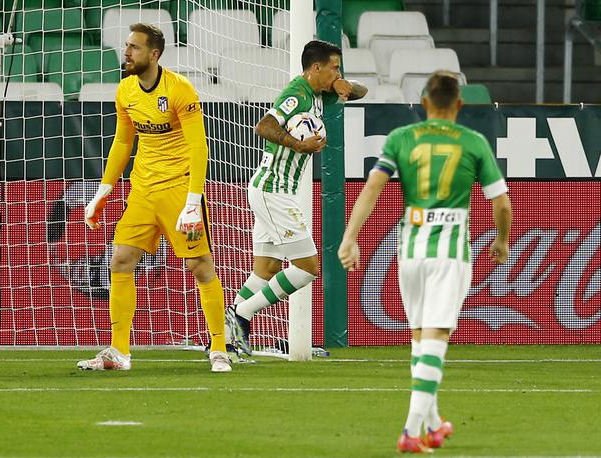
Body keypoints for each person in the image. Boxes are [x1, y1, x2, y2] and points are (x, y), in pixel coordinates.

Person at [338, 71, 512, 453]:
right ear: (459, 105)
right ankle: (410, 429)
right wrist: (501, 239)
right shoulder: (473, 142)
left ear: (424, 103)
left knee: (420, 337)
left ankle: (433, 425)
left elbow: (372, 187)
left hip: (410, 251)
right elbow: (500, 203)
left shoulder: (401, 138)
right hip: (449, 253)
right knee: (436, 337)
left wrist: (350, 238)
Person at [77, 23, 231, 373]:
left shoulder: (180, 90)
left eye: (134, 47)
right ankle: (119, 352)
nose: (127, 52)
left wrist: (194, 201)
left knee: (199, 265)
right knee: (120, 260)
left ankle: (220, 348)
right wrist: (104, 189)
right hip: (143, 191)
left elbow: (198, 146)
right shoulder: (126, 90)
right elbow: (122, 142)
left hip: (179, 191)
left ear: (154, 54)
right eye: (127, 46)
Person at [225, 40, 367, 356]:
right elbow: (264, 126)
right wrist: (297, 144)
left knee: (266, 269)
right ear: (316, 68)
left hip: (270, 189)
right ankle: (241, 315)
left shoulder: (321, 91)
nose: (337, 72)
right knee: (307, 268)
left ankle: (224, 336)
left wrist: (346, 85)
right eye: (334, 67)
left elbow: (363, 92)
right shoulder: (297, 94)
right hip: (273, 190)